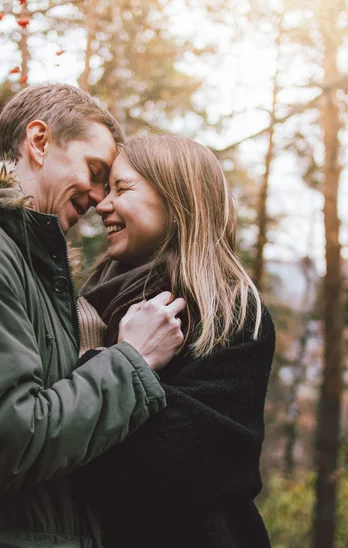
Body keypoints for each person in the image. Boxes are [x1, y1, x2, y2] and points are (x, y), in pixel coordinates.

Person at [0, 84, 186, 548]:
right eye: (95, 172)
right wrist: (131, 361)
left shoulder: (24, 265)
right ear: (38, 142)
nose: (100, 200)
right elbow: (4, 447)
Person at [74, 135, 276, 548]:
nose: (102, 204)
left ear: (177, 199)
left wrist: (101, 361)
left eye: (123, 188)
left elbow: (188, 461)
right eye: (106, 189)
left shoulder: (231, 312)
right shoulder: (92, 306)